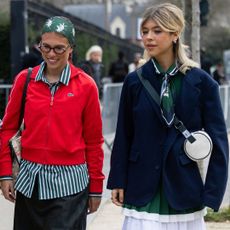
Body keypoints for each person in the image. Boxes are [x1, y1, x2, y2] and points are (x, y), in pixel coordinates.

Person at [107, 3, 229, 230]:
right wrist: (118, 180)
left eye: (157, 31)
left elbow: (219, 141)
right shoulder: (134, 82)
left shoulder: (202, 83)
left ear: (175, 34)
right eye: (145, 31)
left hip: (184, 189)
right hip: (142, 189)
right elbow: (124, 135)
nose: (148, 37)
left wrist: (213, 192)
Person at [0, 16, 104, 230]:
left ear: (71, 49)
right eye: (45, 47)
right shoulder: (25, 80)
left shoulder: (86, 86)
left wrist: (95, 187)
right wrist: (4, 173)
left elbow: (94, 141)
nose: (50, 54)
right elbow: (8, 128)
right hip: (30, 183)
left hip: (70, 186)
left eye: (59, 48)